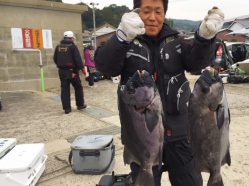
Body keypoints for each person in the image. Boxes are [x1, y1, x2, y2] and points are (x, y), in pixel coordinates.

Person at [95, 0, 224, 185]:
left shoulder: (177, 41)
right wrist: (121, 36)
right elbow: (105, 67)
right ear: (137, 11)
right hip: (140, 135)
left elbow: (196, 64)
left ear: (165, 14)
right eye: (147, 11)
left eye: (158, 11)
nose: (153, 18)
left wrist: (205, 38)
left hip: (180, 132)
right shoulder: (126, 42)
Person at [53, 31, 87, 114]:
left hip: (61, 71)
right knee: (78, 87)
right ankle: (80, 105)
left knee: (64, 89)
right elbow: (77, 59)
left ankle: (67, 109)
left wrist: (61, 66)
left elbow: (55, 58)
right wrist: (82, 69)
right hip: (72, 71)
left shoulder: (58, 47)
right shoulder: (72, 47)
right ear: (71, 38)